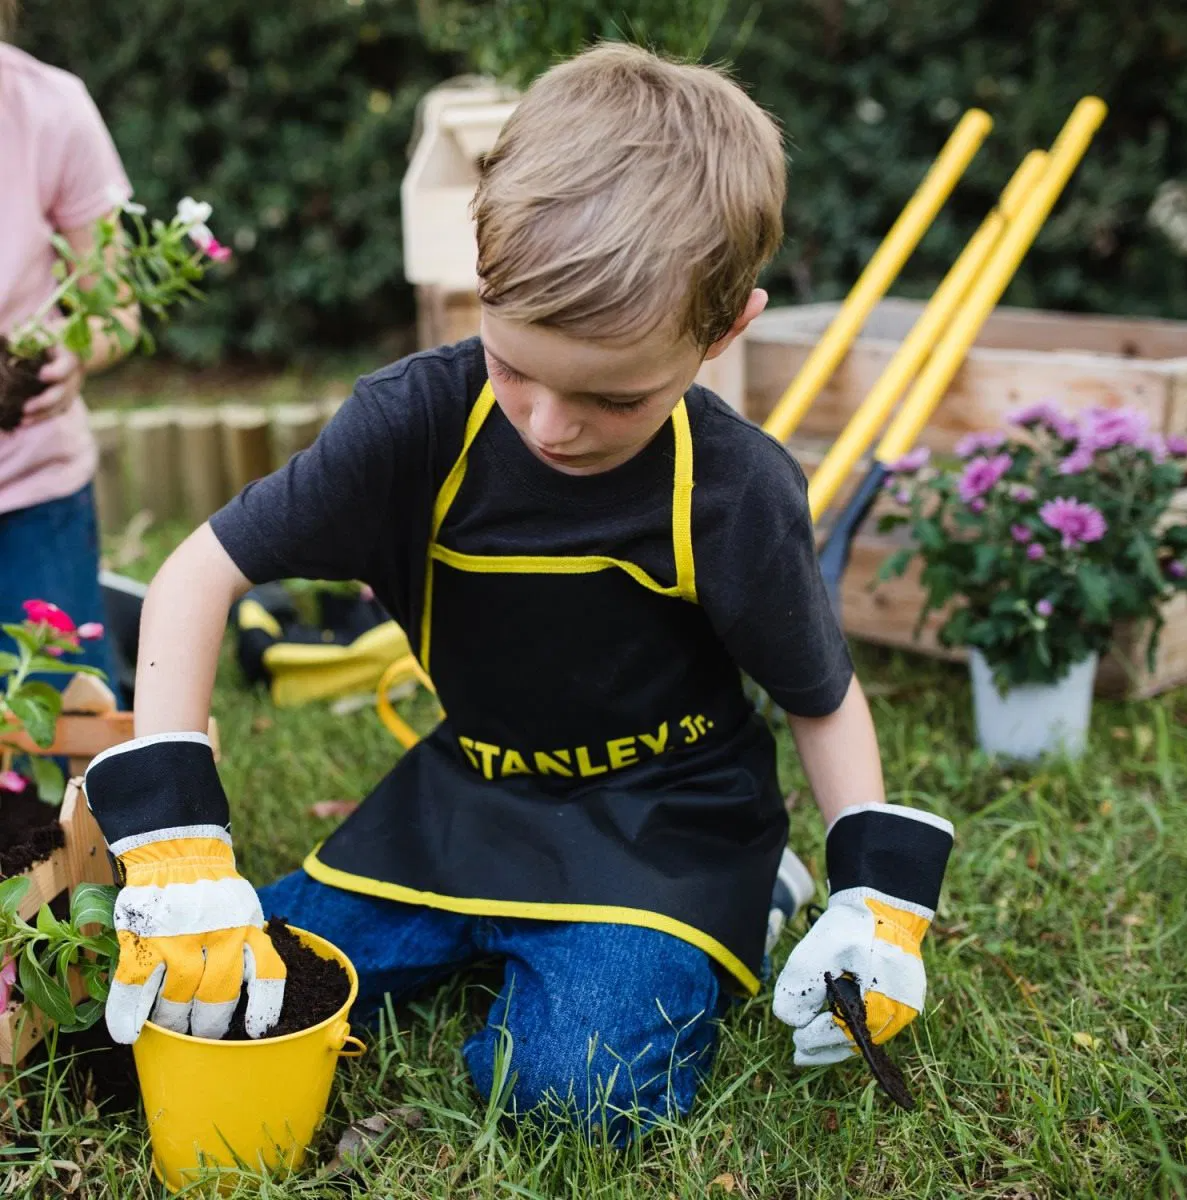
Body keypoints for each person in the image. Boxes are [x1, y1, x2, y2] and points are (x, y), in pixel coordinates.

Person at [83, 44, 954, 1141]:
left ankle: (750, 895)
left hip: (667, 825)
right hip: (470, 798)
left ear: (724, 333)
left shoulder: (734, 491)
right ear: (481, 284)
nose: (549, 426)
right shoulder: (409, 426)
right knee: (246, 996)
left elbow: (820, 696)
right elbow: (195, 572)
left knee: (572, 1097)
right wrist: (179, 842)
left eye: (616, 397)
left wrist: (870, 900)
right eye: (514, 368)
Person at [0, 6, 138, 683]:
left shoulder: (48, 110)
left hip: (31, 488)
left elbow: (117, 307)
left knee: (63, 716)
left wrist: (75, 354)